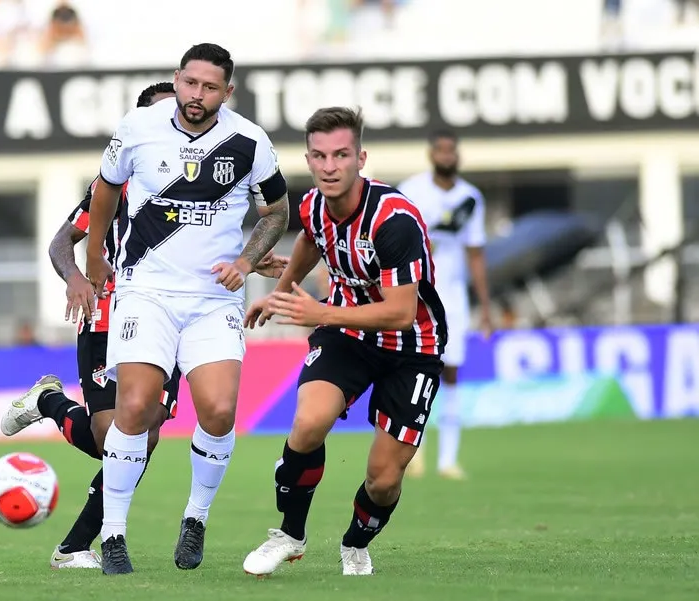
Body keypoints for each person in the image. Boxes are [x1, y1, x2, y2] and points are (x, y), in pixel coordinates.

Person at [0, 81, 288, 571]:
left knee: (145, 432)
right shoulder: (115, 184)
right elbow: (60, 243)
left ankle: (78, 545)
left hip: (183, 311)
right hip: (112, 310)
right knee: (109, 431)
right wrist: (76, 279)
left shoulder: (208, 170)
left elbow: (202, 234)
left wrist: (246, 260)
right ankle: (49, 401)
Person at [85, 43, 290, 575]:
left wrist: (246, 263)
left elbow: (276, 210)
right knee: (134, 409)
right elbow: (104, 191)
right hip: (145, 290)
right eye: (190, 83)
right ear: (176, 80)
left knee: (219, 411)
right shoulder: (137, 127)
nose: (197, 96)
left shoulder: (249, 140)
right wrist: (94, 258)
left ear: (228, 91)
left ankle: (195, 518)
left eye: (210, 87)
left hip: (213, 298)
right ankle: (113, 535)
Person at [241, 106, 447, 577]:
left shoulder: (394, 220)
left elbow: (399, 313)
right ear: (309, 160)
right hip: (348, 334)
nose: (330, 166)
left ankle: (355, 543)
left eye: (340, 155)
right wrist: (280, 294)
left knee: (384, 480)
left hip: (413, 348)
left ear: (361, 158)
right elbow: (310, 240)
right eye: (319, 156)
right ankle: (290, 535)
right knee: (309, 423)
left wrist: (319, 311)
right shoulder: (314, 205)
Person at [397, 129, 491, 480]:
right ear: (431, 154)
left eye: (452, 150)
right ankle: (413, 452)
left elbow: (476, 254)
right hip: (418, 294)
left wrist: (485, 306)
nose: (447, 156)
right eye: (441, 150)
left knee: (451, 374)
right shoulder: (411, 191)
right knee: (415, 371)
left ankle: (448, 459)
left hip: (453, 299)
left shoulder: (471, 198)